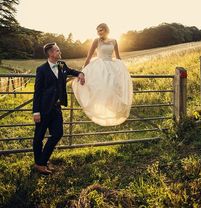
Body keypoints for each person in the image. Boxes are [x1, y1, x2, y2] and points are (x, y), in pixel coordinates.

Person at [33, 42, 85, 175]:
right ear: (50, 54)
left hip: (56, 108)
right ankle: (39, 163)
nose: (59, 52)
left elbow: (71, 71)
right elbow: (37, 92)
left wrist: (80, 73)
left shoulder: (62, 64)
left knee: (58, 133)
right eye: (57, 51)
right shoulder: (42, 69)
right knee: (39, 137)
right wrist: (36, 111)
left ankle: (41, 162)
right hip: (43, 109)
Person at [72, 23, 133, 126]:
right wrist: (82, 71)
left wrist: (123, 70)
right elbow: (89, 56)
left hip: (111, 66)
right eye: (98, 31)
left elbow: (118, 57)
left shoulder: (114, 41)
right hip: (99, 66)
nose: (99, 32)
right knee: (102, 87)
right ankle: (99, 109)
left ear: (106, 30)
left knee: (114, 88)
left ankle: (114, 110)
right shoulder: (96, 41)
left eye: (101, 30)